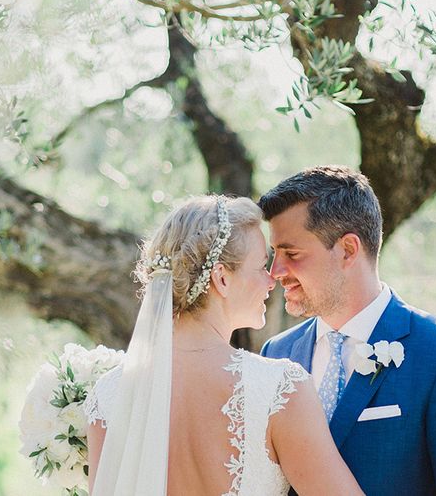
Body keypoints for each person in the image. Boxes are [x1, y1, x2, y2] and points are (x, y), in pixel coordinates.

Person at [84, 195, 363, 496]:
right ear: (222, 278)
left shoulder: (110, 394)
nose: (272, 281)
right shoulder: (279, 390)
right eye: (260, 267)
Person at [259, 166, 436, 495]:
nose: (275, 271)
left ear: (348, 250)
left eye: (291, 253)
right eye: (274, 254)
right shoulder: (276, 354)